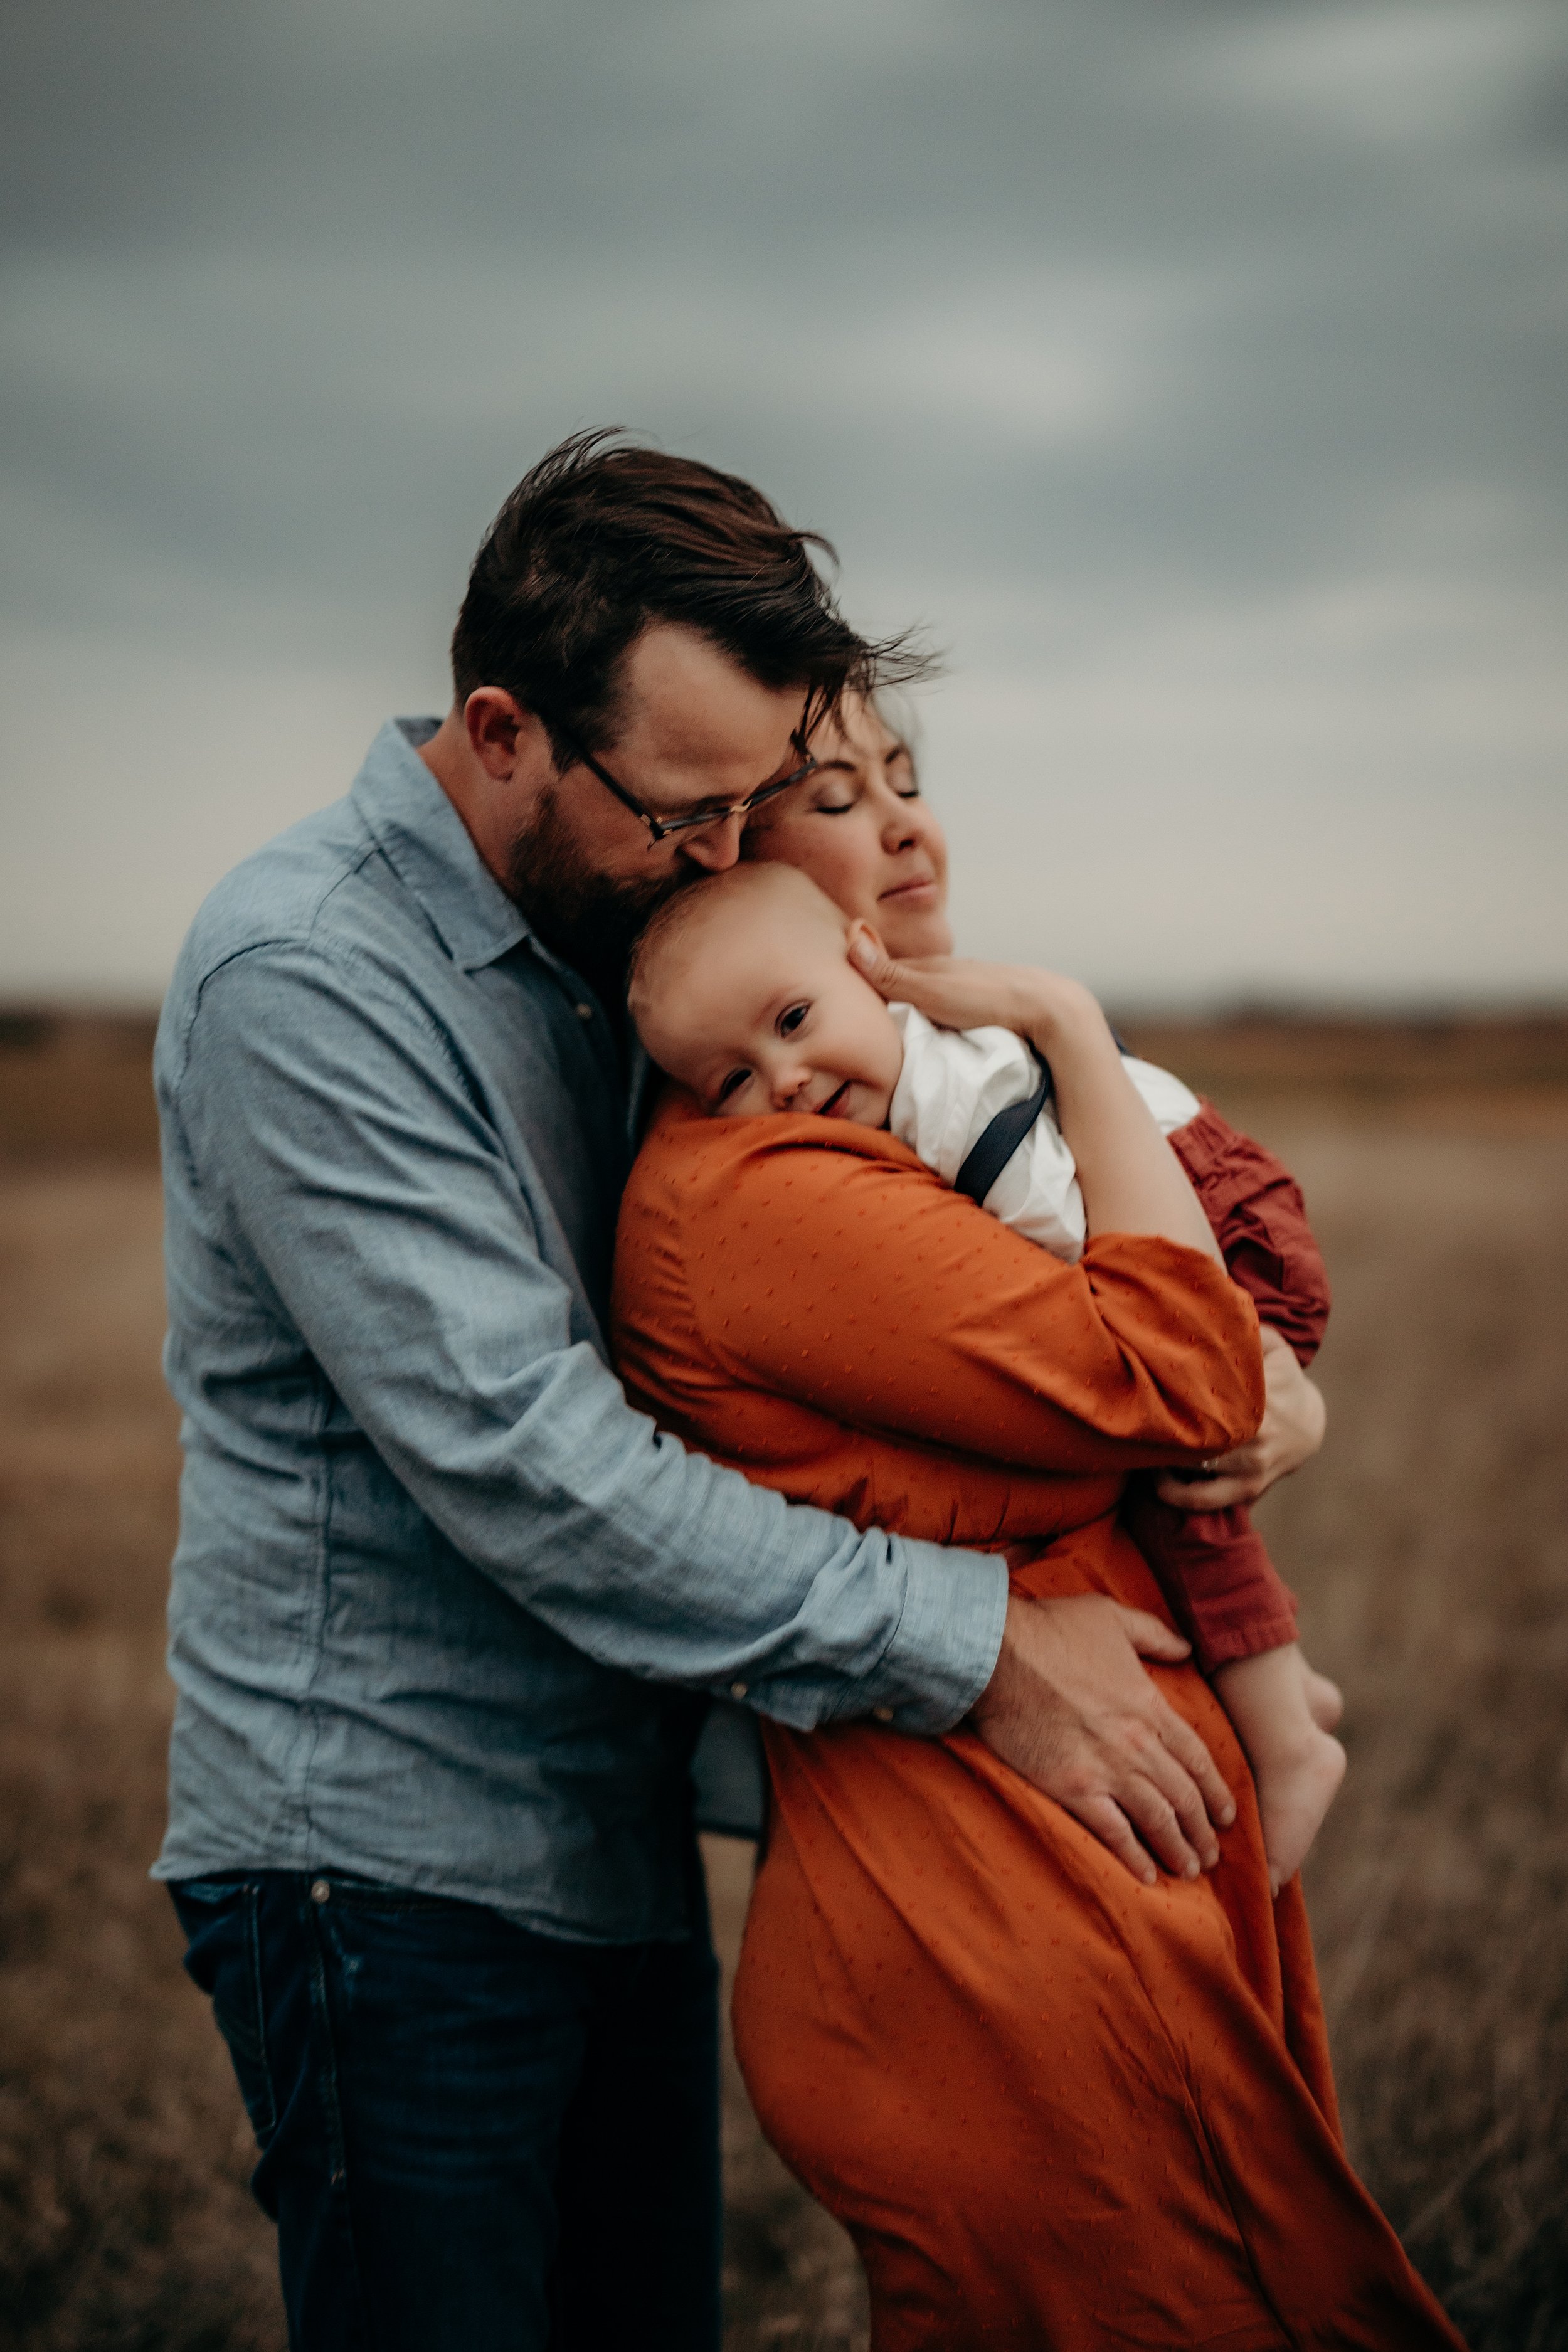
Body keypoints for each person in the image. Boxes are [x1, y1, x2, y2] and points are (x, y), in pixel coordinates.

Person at [152, 433, 1251, 2352]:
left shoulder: (621, 944)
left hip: (611, 1837)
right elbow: (533, 1461)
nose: (730, 854)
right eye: (685, 808)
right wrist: (980, 1641)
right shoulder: (309, 974)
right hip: (379, 1860)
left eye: (759, 800)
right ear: (502, 729)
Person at [612, 881, 1466, 2348]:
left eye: (907, 785)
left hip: (1097, 1828)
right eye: (730, 1077)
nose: (777, 1084)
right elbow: (1188, 1380)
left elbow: (1204, 1389)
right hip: (999, 1898)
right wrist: (1065, 1021)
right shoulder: (768, 1186)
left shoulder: (914, 1101)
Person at [627, 856, 1347, 1887]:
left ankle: (1286, 1732)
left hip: (1217, 1213)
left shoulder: (958, 1105)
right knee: (1175, 1473)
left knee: (1183, 1471)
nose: (782, 1078)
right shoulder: (885, 1097)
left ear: (866, 963)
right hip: (1186, 1189)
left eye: (792, 1020)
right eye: (733, 1080)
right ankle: (1286, 1693)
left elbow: (1125, 1310)